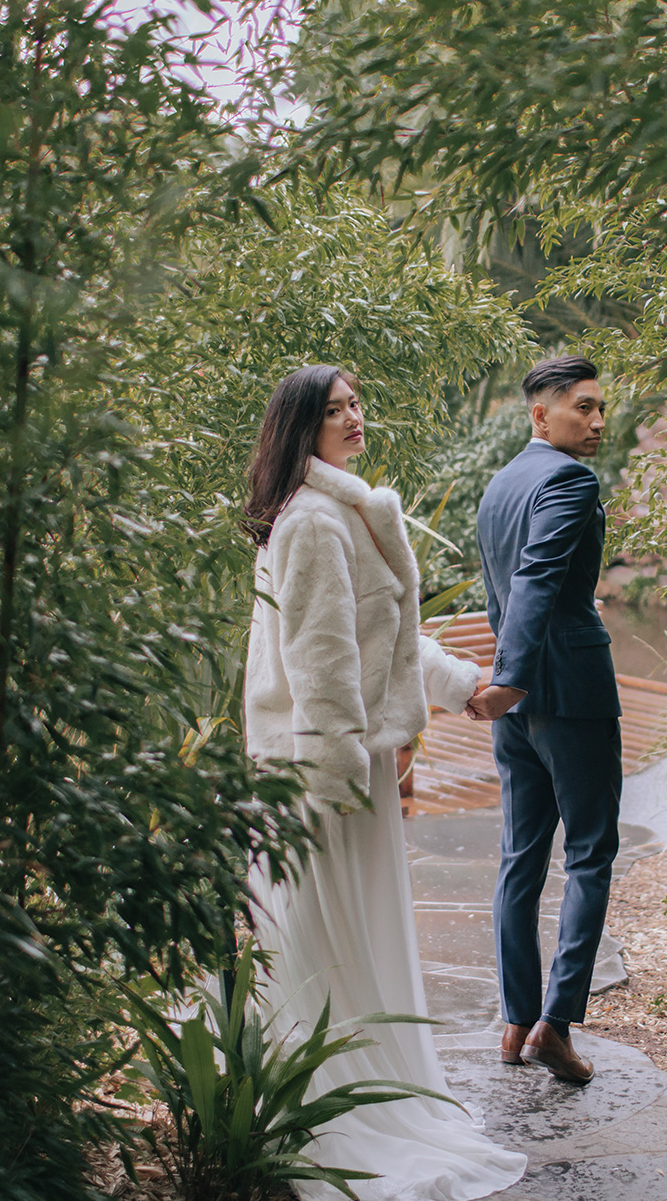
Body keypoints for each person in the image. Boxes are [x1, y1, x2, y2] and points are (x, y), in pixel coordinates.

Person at [241, 363, 528, 1201]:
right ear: (302, 429)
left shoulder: (341, 512)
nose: (354, 417)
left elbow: (389, 644)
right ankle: (327, 1101)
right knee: (327, 926)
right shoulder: (313, 527)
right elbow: (324, 668)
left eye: (357, 402)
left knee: (356, 928)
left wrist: (464, 686)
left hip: (347, 763)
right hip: (321, 771)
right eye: (335, 410)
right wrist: (336, 788)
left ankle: (359, 1081)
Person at [463, 356, 620, 1085]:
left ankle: (515, 1017)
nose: (595, 423)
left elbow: (511, 586)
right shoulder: (569, 479)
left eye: (599, 410)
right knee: (589, 851)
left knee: (521, 854)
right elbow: (532, 581)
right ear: (541, 414)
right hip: (566, 692)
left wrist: (507, 682)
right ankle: (556, 1023)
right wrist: (513, 679)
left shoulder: (500, 483)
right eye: (582, 407)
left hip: (518, 700)